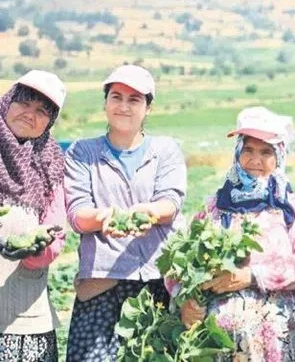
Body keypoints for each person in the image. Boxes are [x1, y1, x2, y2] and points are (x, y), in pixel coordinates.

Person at [177, 106, 295, 361]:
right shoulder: (215, 205)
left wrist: (253, 276)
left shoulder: (291, 206)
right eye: (248, 150)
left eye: (266, 152)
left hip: (276, 336)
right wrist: (186, 299)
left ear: (279, 156)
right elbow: (182, 261)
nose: (256, 159)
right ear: (237, 153)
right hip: (222, 340)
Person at [64, 65, 187, 361]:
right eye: (116, 97)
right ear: (105, 103)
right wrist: (105, 219)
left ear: (147, 108)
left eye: (134, 100)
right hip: (103, 285)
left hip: (159, 283)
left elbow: (170, 202)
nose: (123, 106)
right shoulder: (83, 152)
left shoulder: (165, 150)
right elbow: (77, 214)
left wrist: (149, 213)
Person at [0, 71, 68, 362]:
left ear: (49, 122)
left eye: (42, 111)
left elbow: (57, 235)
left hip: (26, 318)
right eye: (24, 103)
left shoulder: (51, 165)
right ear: (8, 102)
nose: (30, 114)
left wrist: (34, 250)